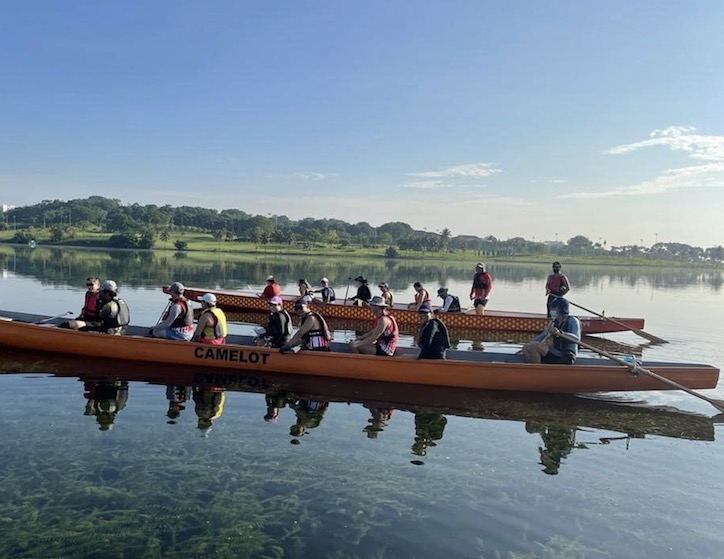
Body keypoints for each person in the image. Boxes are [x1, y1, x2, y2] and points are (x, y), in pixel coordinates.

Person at [520, 297, 580, 364]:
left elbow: (576, 339)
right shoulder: (554, 321)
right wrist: (529, 344)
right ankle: (530, 369)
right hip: (555, 353)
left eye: (554, 307)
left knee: (535, 346)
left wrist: (560, 333)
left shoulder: (572, 320)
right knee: (526, 347)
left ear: (561, 308)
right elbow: (544, 335)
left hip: (566, 355)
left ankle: (536, 371)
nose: (551, 310)